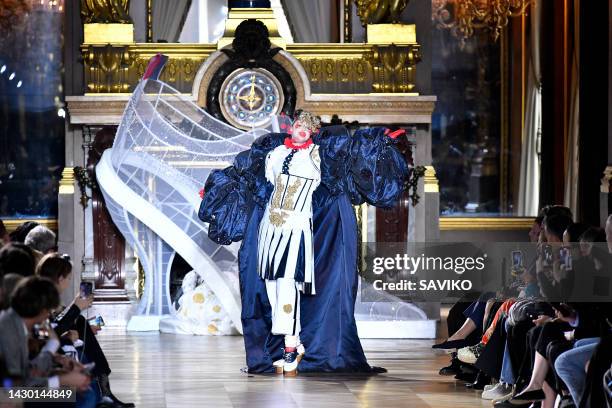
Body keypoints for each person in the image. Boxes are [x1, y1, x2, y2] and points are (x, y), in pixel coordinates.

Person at [200, 110, 408, 374]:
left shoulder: (319, 156)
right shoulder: (275, 154)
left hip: (296, 227)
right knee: (272, 287)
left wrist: (376, 144)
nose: (300, 129)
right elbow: (259, 182)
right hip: (270, 228)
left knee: (287, 285)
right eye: (298, 124)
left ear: (312, 132)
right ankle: (290, 344)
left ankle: (291, 347)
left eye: (306, 127)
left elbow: (343, 170)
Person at [36, 253, 134, 408]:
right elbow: (44, 337)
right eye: (68, 278)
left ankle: (104, 391)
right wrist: (66, 339)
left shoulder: (40, 301)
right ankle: (103, 392)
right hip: (25, 389)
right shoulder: (34, 305)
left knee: (81, 323)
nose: (68, 282)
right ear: (60, 279)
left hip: (37, 373)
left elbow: (48, 330)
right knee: (87, 396)